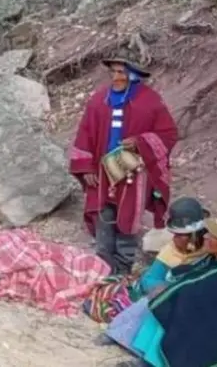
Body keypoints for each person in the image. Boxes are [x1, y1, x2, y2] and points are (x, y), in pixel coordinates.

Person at [69, 53, 178, 275]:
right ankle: (102, 266)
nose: (116, 77)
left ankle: (122, 269)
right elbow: (85, 133)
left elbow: (168, 134)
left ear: (134, 76)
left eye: (121, 72)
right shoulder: (99, 100)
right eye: (113, 72)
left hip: (133, 170)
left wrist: (140, 142)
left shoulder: (151, 102)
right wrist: (86, 166)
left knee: (128, 216)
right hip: (101, 169)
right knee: (103, 213)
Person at [114, 201, 217, 367]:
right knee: (168, 302)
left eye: (213, 236)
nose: (206, 236)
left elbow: (200, 289)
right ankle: (148, 359)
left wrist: (172, 292)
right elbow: (194, 278)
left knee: (174, 306)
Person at [85, 196, 211, 325]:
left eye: (180, 235)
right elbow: (151, 279)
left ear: (194, 235)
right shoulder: (170, 252)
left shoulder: (210, 251)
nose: (175, 239)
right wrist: (167, 291)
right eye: (175, 234)